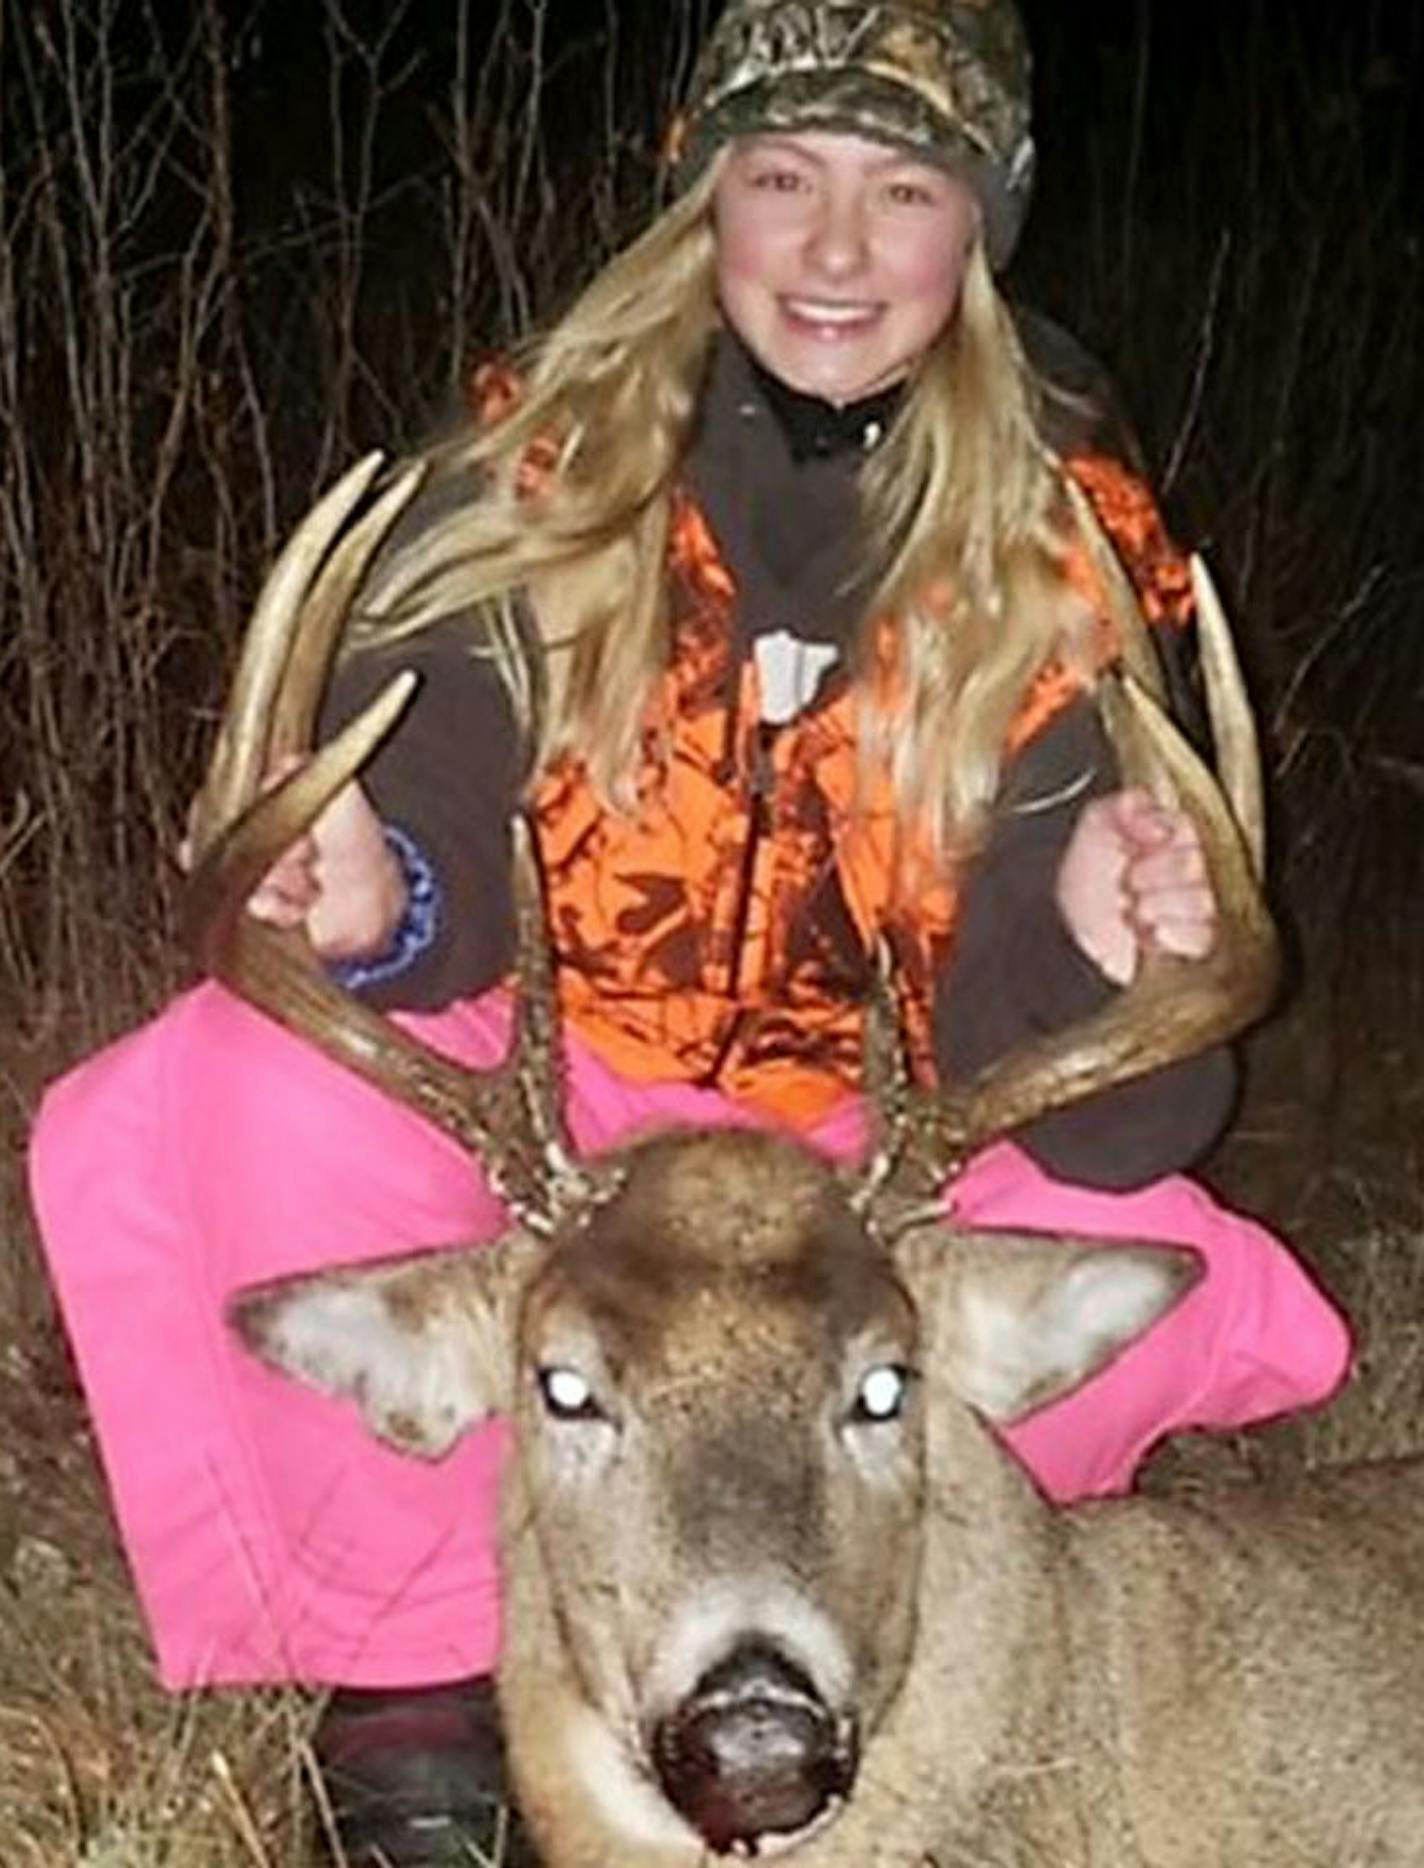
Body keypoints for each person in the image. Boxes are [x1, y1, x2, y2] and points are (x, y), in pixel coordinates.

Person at [28, 2, 1350, 1863]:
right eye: (780, 177)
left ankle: (855, 1651)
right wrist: (376, 888)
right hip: (572, 1131)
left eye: (902, 192)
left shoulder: (1067, 532)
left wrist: (1099, 939)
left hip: (861, 1163)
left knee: (1124, 1240)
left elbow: (1116, 1122)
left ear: (978, 230)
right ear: (700, 199)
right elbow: (436, 766)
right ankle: (418, 1684)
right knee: (242, 1087)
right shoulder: (538, 460)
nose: (832, 249)